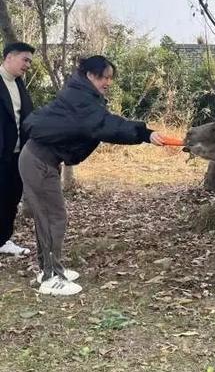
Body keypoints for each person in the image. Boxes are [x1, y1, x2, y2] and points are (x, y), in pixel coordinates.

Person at [20, 55, 165, 296]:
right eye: (103, 77)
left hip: (42, 159)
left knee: (47, 217)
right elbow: (105, 124)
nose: (107, 82)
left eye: (110, 78)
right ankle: (51, 277)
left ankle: (49, 269)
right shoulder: (82, 100)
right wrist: (144, 134)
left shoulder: (81, 94)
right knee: (53, 218)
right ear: (89, 75)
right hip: (39, 161)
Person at [0, 42, 34, 257]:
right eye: (25, 59)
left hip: (17, 154)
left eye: (30, 61)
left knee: (11, 197)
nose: (28, 65)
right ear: (9, 57)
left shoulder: (19, 84)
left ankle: (3, 239)